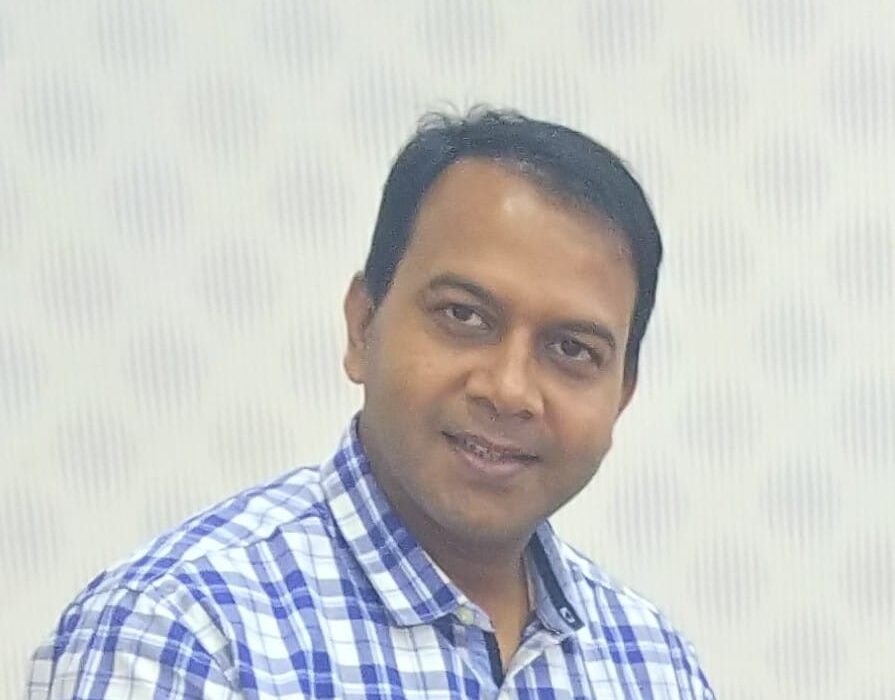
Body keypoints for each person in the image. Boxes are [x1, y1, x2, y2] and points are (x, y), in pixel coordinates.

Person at [28, 108, 715, 698]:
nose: (509, 390)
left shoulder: (653, 664)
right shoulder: (184, 631)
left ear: (621, 396)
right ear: (363, 325)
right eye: (464, 316)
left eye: (570, 349)